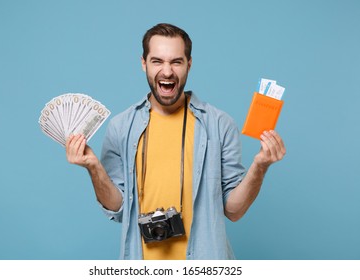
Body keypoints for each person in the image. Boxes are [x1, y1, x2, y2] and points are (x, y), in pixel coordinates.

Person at [66, 23, 286, 260]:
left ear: (189, 64)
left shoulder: (220, 124)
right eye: (157, 61)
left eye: (176, 62)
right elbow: (118, 208)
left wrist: (260, 166)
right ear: (144, 63)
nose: (167, 71)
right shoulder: (121, 127)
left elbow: (234, 211)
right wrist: (93, 166)